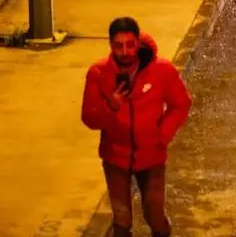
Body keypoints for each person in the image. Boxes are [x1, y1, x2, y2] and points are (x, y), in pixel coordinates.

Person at [82, 17, 192, 237]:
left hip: (151, 157)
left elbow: (181, 104)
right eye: (118, 46)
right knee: (121, 220)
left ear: (138, 43)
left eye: (130, 45)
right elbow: (89, 118)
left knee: (154, 215)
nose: (125, 52)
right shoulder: (98, 73)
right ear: (111, 45)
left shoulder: (161, 70)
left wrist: (162, 135)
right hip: (116, 157)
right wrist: (110, 106)